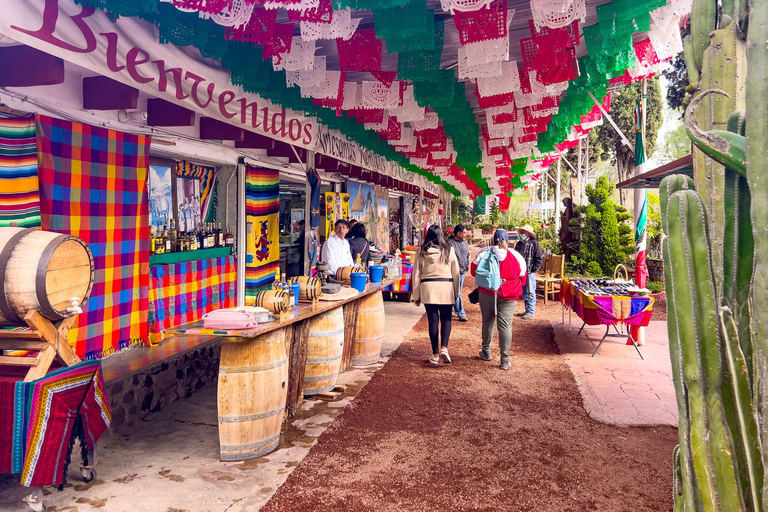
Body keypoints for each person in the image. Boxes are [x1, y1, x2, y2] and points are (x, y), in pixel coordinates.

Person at [471, 229, 527, 370]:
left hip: (487, 293)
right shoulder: (516, 255)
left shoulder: (485, 253)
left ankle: (486, 351)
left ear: (493, 239)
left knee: (488, 321)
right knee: (505, 325)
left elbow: (473, 271)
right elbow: (523, 278)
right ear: (507, 240)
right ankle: (504, 360)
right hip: (509, 295)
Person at [411, 225, 461, 365]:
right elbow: (455, 273)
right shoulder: (449, 250)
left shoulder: (421, 252)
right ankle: (444, 347)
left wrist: (416, 295)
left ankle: (435, 353)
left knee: (433, 321)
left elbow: (416, 275)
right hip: (446, 287)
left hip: (428, 289)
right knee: (446, 319)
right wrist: (456, 292)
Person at [514, 224, 544, 320]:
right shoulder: (519, 243)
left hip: (529, 271)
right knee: (524, 291)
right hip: (521, 272)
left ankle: (531, 311)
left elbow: (539, 258)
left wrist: (533, 269)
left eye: (522, 232)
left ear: (527, 234)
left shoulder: (534, 243)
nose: (520, 234)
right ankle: (527, 310)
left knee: (530, 291)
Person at [446, 224, 469, 322]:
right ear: (458, 233)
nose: (465, 235)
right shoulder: (449, 243)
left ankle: (450, 310)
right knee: (457, 293)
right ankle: (461, 313)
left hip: (462, 271)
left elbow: (467, 255)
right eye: (464, 233)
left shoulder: (464, 243)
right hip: (453, 272)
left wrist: (467, 266)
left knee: (455, 292)